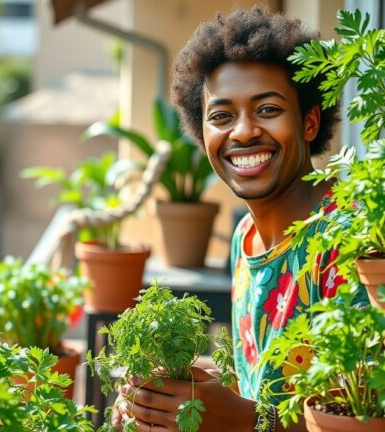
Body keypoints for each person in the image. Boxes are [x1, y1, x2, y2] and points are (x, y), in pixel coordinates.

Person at [112, 6, 365, 432]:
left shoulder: (349, 233)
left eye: (267, 109)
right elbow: (263, 382)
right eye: (222, 116)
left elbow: (370, 417)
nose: (243, 132)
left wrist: (247, 421)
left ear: (309, 122)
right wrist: (171, 398)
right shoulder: (245, 237)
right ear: (201, 132)